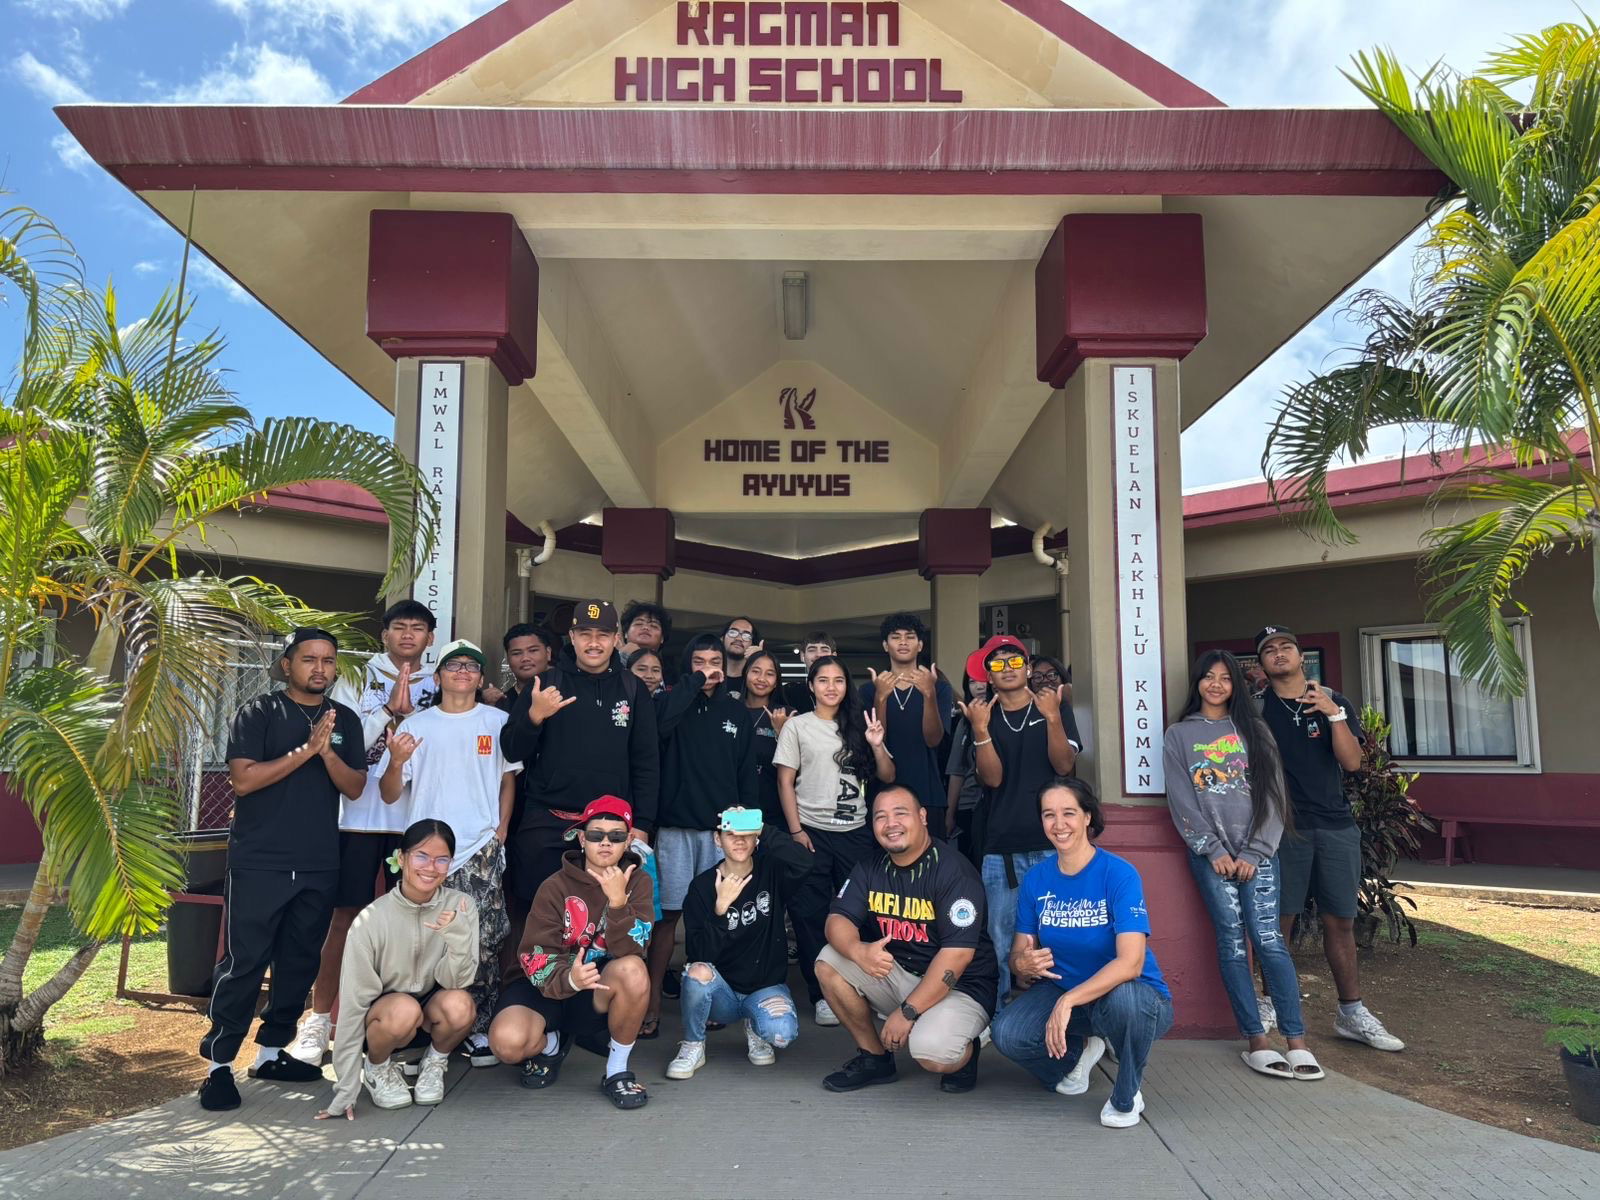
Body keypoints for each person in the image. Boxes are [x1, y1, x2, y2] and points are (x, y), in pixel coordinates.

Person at [199, 627, 367, 1112]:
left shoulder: (344, 720)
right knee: (245, 962)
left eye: (328, 660)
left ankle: (272, 1053)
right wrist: (305, 752)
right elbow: (244, 780)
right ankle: (218, 1066)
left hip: (318, 860)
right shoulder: (259, 712)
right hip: (260, 860)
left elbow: (355, 787)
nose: (320, 668)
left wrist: (327, 751)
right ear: (287, 664)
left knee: (299, 960)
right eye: (309, 659)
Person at [1165, 651, 1321, 1080]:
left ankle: (1297, 1041)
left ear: (1236, 685)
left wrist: (1255, 852)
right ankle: (1256, 1040)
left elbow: (1274, 794)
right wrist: (1212, 849)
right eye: (1208, 677)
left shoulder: (1255, 730)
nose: (1216, 684)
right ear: (1197, 682)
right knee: (1233, 943)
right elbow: (1181, 799)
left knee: (1269, 940)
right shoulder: (1179, 734)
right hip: (1211, 858)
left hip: (1259, 855)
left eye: (1225, 678)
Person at [295, 601, 439, 1064]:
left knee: (412, 924)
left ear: (430, 638)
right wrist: (389, 712)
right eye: (399, 627)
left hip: (413, 822)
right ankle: (319, 1020)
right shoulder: (356, 677)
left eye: (418, 628)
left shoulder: (441, 681)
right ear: (384, 634)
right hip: (356, 817)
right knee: (344, 919)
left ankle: (402, 1026)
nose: (408, 635)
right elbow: (339, 741)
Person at [991, 778, 1174, 1129]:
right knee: (1008, 1033)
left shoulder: (1119, 874)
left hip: (1133, 999)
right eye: (1049, 815)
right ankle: (1077, 1056)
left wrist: (1067, 1001)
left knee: (1126, 1001)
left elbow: (1131, 963)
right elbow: (1019, 953)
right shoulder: (1036, 879)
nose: (1058, 824)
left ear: (1087, 817)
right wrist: (1022, 964)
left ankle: (1126, 1094)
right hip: (1065, 991)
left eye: (1069, 813)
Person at [1253, 625, 1403, 1052]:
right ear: (1262, 665)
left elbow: (1352, 763)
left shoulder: (1334, 701)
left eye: (1286, 646)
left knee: (1340, 920)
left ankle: (1351, 1011)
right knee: (1279, 921)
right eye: (1269, 650)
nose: (1278, 653)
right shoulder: (1257, 708)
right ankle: (1271, 1002)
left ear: (1301, 657)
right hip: (1283, 827)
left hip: (1335, 824)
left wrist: (1332, 713)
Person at [379, 639, 519, 1068]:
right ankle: (421, 1029)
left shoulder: (498, 721)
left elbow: (508, 780)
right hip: (427, 854)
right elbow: (389, 794)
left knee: (482, 940)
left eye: (471, 666)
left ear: (481, 677)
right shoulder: (416, 724)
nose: (462, 672)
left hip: (478, 847)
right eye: (453, 665)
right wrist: (395, 762)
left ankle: (476, 1028)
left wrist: (500, 831)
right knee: (421, 942)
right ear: (437, 677)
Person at [816, 786, 996, 1094]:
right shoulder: (870, 866)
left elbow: (957, 957)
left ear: (922, 817)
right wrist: (858, 951)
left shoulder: (954, 871)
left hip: (960, 986)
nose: (891, 824)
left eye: (900, 813)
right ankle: (875, 1058)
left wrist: (907, 1012)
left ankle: (966, 1051)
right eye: (881, 817)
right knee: (829, 960)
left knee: (932, 1052)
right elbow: (837, 920)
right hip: (902, 975)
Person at [500, 599, 659, 935]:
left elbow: (646, 762)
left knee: (602, 924)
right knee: (538, 920)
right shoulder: (545, 684)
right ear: (572, 637)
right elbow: (512, 750)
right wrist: (534, 716)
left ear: (616, 639)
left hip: (609, 830)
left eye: (602, 634)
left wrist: (643, 824)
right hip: (548, 822)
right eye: (585, 634)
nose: (593, 642)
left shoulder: (632, 689)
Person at [490, 797, 655, 1109]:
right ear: (581, 839)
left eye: (616, 836)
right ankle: (551, 1043)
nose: (605, 843)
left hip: (596, 989)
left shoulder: (639, 882)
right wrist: (569, 979)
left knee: (633, 969)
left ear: (628, 841)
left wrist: (618, 903)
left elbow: (634, 948)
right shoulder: (554, 885)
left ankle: (616, 1070)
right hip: (544, 986)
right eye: (596, 835)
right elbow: (534, 956)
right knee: (507, 1044)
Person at [315, 819, 478, 1119]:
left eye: (441, 859)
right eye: (421, 856)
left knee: (461, 1005)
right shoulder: (372, 919)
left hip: (430, 1010)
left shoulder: (461, 905)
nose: (430, 867)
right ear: (401, 858)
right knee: (403, 1009)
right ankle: (377, 1067)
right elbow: (353, 1005)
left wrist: (455, 935)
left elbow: (458, 980)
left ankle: (434, 1062)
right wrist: (346, 1088)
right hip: (385, 1019)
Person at [644, 634, 759, 1038]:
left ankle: (714, 1000)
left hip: (721, 834)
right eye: (699, 662)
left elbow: (746, 774)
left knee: (718, 917)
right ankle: (651, 1002)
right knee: (667, 919)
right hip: (675, 829)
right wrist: (692, 685)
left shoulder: (736, 711)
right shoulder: (669, 702)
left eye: (714, 662)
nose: (708, 668)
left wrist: (748, 830)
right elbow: (659, 729)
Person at [959, 634, 1081, 1001]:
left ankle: (1064, 1010)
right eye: (998, 664)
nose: (1008, 669)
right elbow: (992, 779)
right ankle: (997, 1013)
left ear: (1027, 669)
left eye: (1015, 661)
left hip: (1054, 841)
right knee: (999, 936)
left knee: (1060, 934)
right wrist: (980, 730)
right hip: (1002, 845)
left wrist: (1053, 717)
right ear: (988, 676)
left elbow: (1064, 765)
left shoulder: (1054, 706)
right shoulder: (984, 716)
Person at [774, 655, 894, 1026]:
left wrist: (877, 744)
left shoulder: (860, 723)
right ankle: (822, 994)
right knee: (810, 915)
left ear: (847, 686)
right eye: (823, 680)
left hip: (854, 832)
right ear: (811, 686)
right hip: (810, 831)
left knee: (864, 912)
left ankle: (872, 988)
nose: (831, 687)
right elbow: (785, 782)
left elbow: (888, 776)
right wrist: (796, 831)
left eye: (838, 680)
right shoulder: (798, 726)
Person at [667, 806, 814, 1078]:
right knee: (696, 972)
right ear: (717, 839)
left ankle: (755, 1028)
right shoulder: (703, 886)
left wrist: (762, 827)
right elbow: (698, 952)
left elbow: (805, 862)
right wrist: (720, 909)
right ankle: (693, 1044)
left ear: (756, 838)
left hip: (763, 987)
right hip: (722, 992)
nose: (739, 840)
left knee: (781, 1034)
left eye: (747, 833)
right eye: (731, 834)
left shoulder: (771, 871)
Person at [860, 613, 953, 813]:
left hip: (928, 792)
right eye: (896, 637)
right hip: (883, 793)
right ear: (885, 645)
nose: (903, 642)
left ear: (920, 645)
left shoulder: (939, 688)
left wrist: (929, 693)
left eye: (910, 637)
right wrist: (880, 697)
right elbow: (878, 740)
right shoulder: (869, 690)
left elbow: (934, 740)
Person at [942, 651, 990, 864]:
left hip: (999, 806)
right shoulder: (965, 721)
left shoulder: (1005, 714)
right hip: (968, 805)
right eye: (972, 682)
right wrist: (950, 814)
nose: (979, 686)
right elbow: (956, 770)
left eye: (983, 679)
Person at [740, 648, 791, 826]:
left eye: (770, 674)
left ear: (776, 682)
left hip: (775, 813)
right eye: (756, 671)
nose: (762, 679)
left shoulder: (788, 715)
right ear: (745, 674)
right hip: (734, 810)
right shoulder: (729, 710)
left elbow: (802, 766)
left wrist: (782, 733)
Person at [484, 622, 556, 711]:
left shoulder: (568, 688)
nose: (525, 658)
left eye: (533, 650)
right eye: (516, 653)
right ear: (508, 659)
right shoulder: (502, 703)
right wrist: (487, 707)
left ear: (548, 653)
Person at [781, 631, 836, 713]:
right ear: (802, 656)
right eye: (812, 650)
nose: (818, 655)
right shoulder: (787, 693)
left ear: (834, 656)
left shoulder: (844, 691)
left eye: (824, 650)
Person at [721, 615, 761, 688]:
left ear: (753, 644)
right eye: (733, 632)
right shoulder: (711, 675)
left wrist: (760, 660)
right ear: (722, 638)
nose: (739, 638)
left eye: (746, 635)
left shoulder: (758, 681)